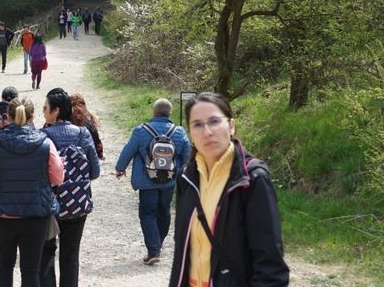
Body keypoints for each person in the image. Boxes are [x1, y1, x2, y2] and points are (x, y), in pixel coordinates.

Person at [168, 92, 289, 287]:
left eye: (214, 121)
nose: (207, 131)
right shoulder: (186, 178)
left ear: (231, 126)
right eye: (197, 124)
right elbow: (182, 251)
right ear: (190, 132)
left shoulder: (250, 180)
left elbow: (270, 265)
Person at [0, 98, 65, 287]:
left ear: (7, 116)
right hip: (35, 215)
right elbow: (58, 178)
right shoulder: (46, 143)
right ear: (32, 117)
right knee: (31, 270)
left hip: (3, 214)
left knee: (4, 265)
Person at [115, 98, 190, 265]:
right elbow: (187, 154)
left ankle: (154, 250)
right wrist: (179, 169)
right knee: (164, 212)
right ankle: (158, 244)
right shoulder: (178, 132)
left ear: (154, 112)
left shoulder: (141, 131)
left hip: (147, 181)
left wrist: (120, 168)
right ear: (170, 113)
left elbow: (129, 150)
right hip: (169, 181)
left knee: (148, 213)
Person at [39, 88, 100, 287]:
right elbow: (95, 172)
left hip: (50, 204)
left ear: (56, 111)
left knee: (46, 252)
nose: (43, 111)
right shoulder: (83, 134)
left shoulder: (42, 136)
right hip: (76, 203)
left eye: (46, 107)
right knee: (71, 255)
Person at [69, 94, 104, 161]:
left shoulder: (66, 123)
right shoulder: (89, 123)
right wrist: (100, 155)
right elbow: (97, 142)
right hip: (87, 162)